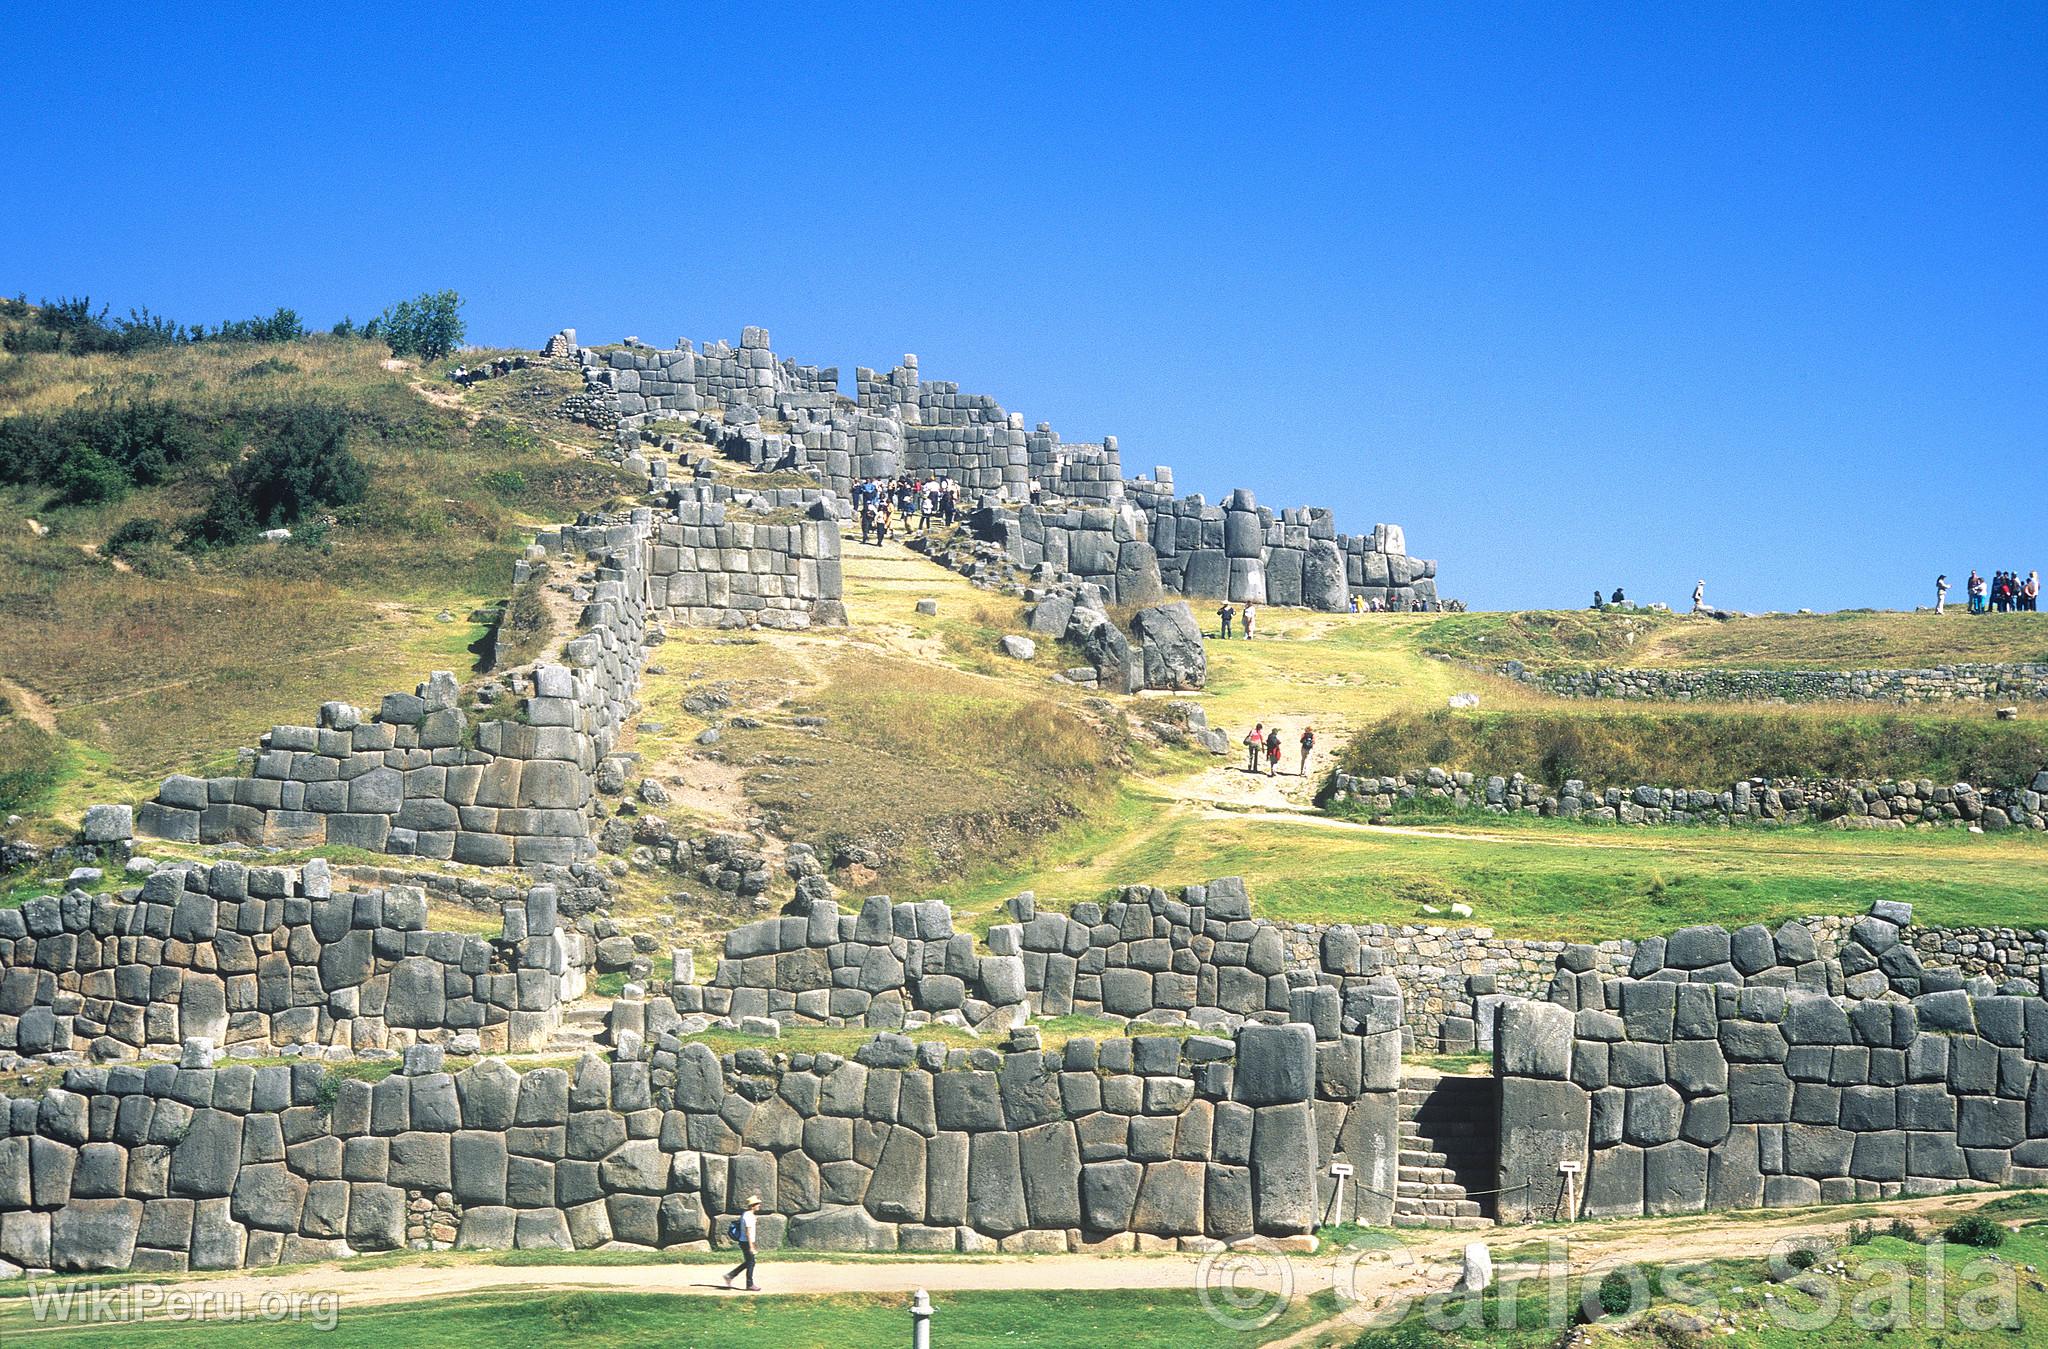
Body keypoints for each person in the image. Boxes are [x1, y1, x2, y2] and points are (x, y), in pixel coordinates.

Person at [723, 1195, 763, 1291]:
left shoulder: (747, 1214)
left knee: (749, 1262)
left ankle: (730, 1275)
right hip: (746, 1242)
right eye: (757, 1204)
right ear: (752, 1205)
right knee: (751, 1263)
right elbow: (748, 1232)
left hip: (744, 1241)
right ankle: (749, 1284)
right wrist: (751, 1246)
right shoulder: (748, 1216)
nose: (759, 1205)